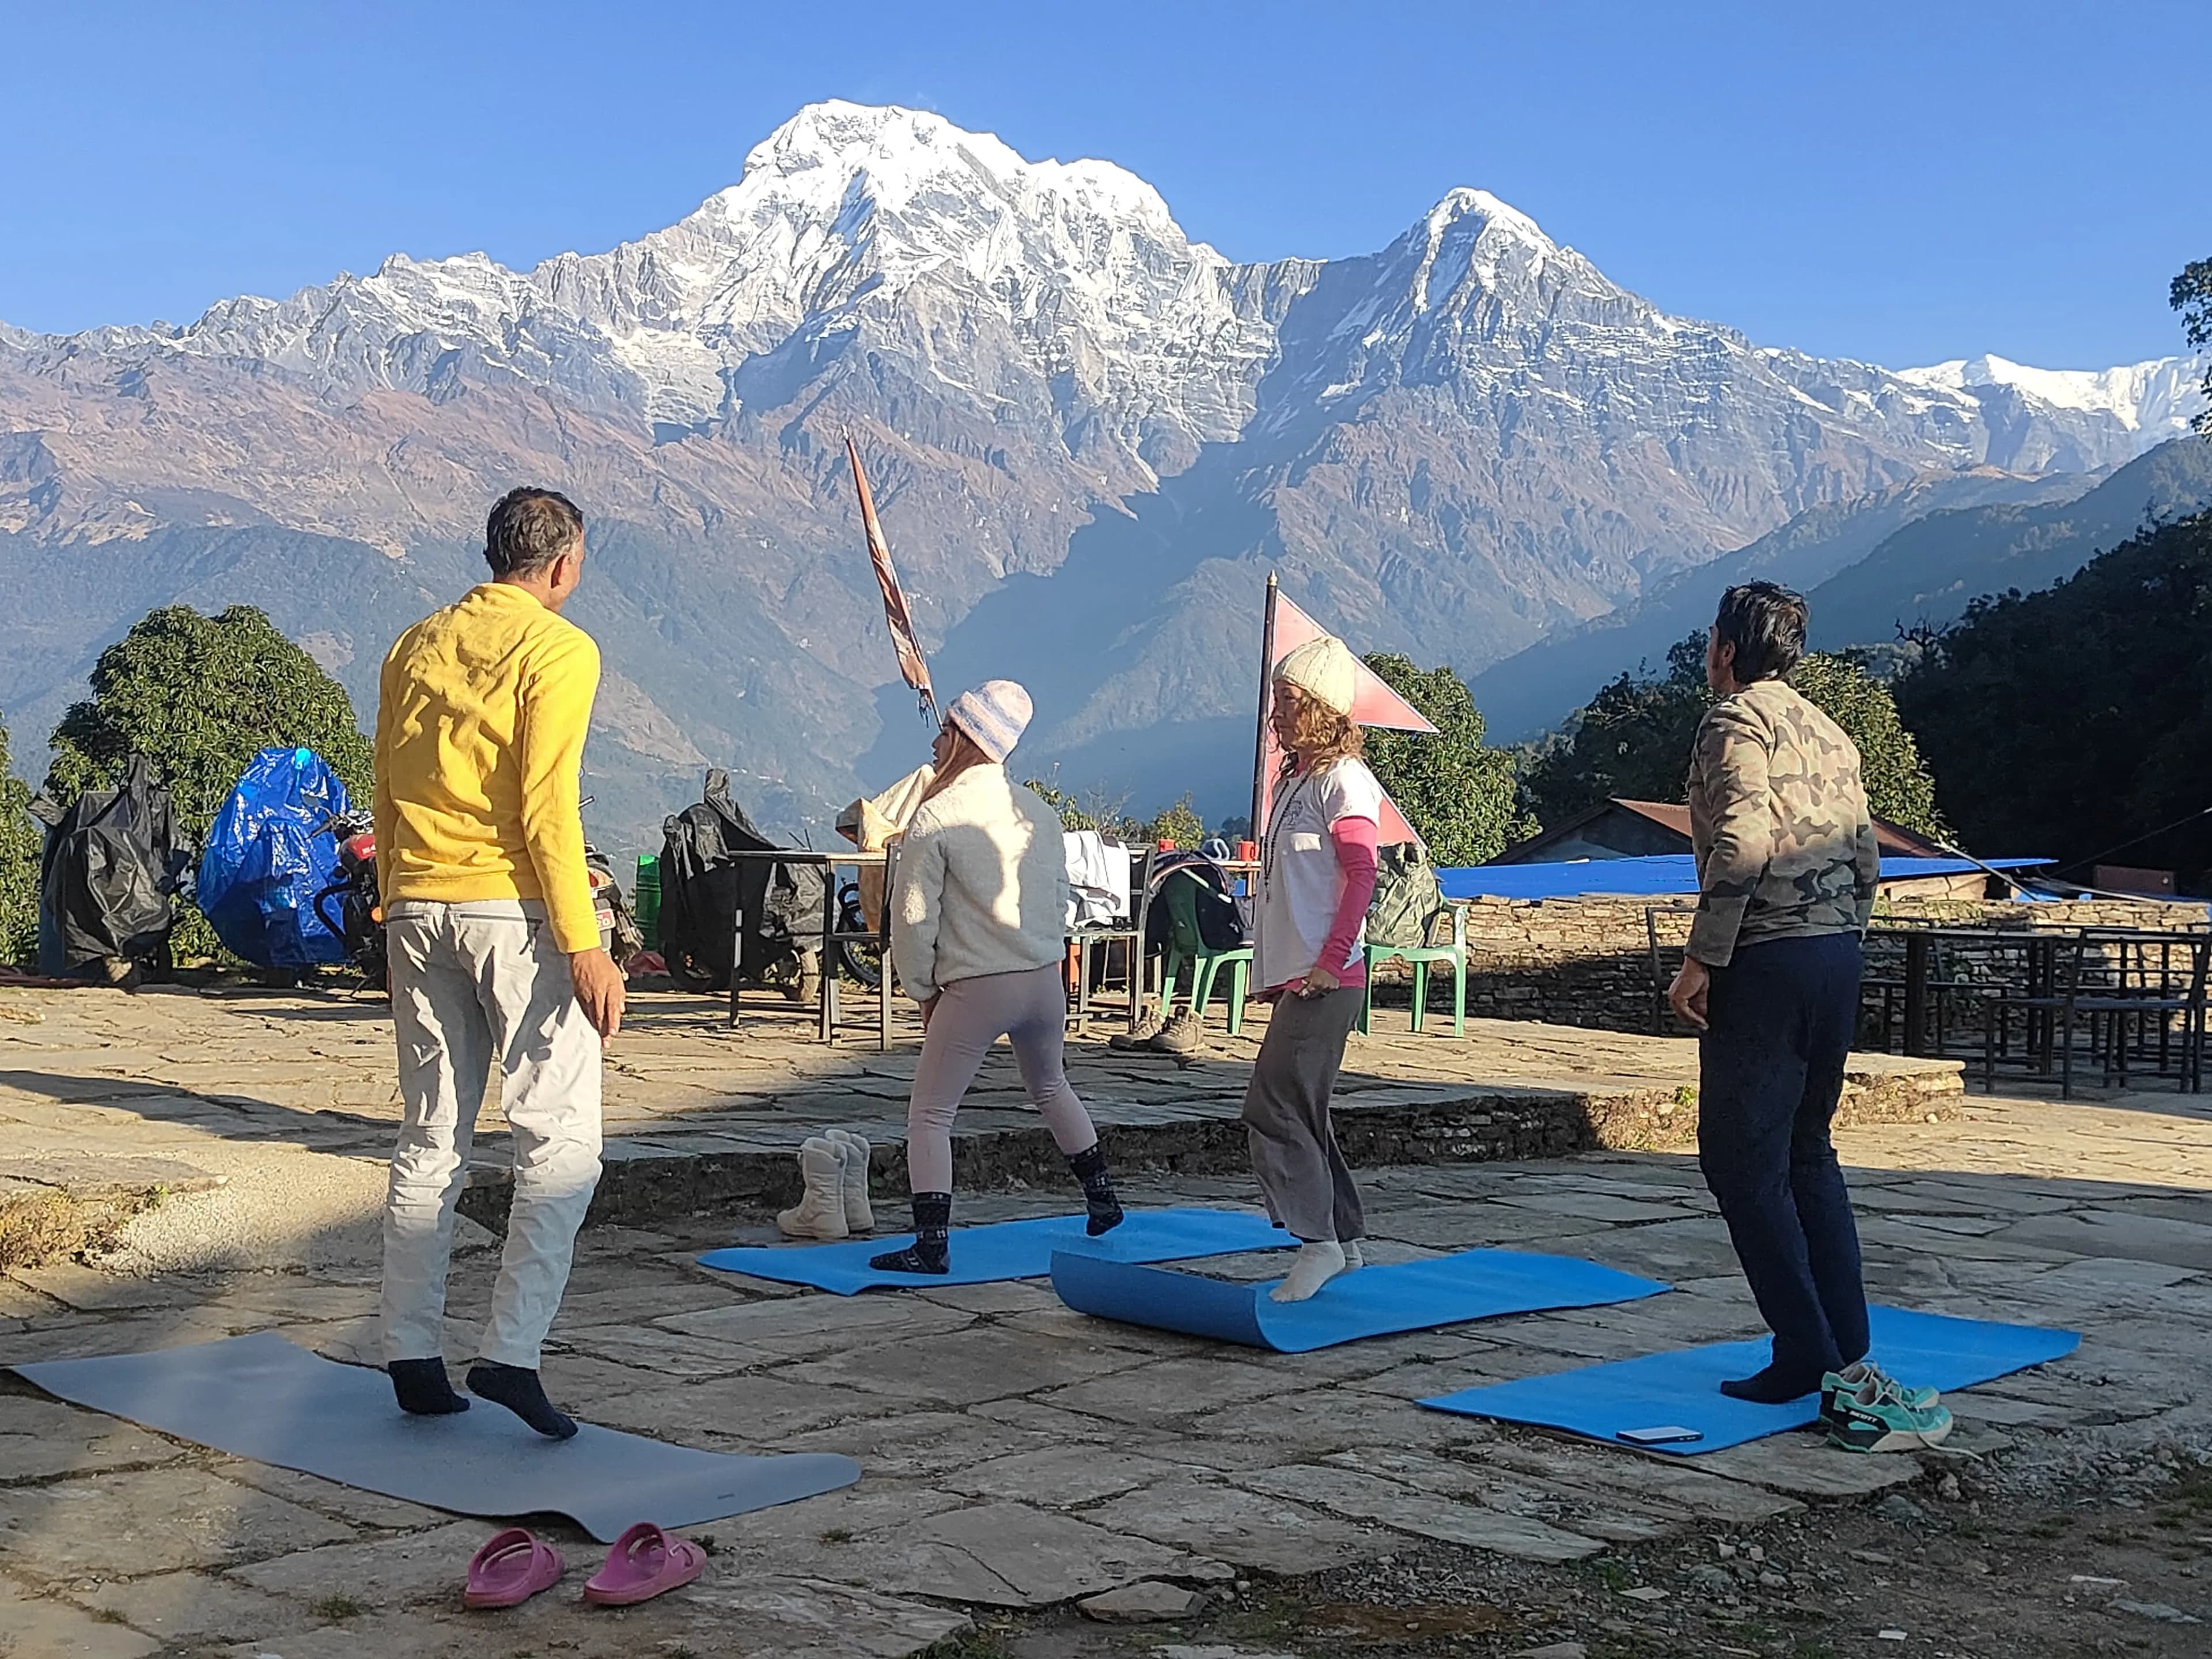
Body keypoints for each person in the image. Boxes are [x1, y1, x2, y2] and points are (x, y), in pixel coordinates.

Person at [1666, 582, 1950, 1450]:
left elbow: (1742, 839)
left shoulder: (1735, 722)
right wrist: (1842, 939)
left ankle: (1814, 1358)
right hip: (1835, 954)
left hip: (1768, 958)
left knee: (1742, 1162)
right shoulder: (1831, 731)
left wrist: (1703, 956)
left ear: (1724, 647)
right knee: (1807, 1150)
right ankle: (1842, 1346)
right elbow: (1865, 851)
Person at [373, 487, 624, 1440]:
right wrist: (584, 943)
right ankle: (511, 1354)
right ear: (563, 564)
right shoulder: (561, 650)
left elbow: (389, 786)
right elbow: (546, 806)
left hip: (421, 905)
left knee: (431, 1135)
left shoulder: (415, 643)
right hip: (514, 911)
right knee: (559, 1142)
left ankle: (410, 1350)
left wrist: (392, 908)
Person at [869, 680, 1124, 1274]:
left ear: (964, 738)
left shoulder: (937, 814)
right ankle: (1102, 1197)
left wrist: (922, 989)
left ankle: (931, 1244)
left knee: (930, 1114)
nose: (934, 741)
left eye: (945, 730)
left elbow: (911, 919)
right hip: (1043, 978)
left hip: (979, 985)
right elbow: (1061, 898)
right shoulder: (1037, 811)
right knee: (1051, 1085)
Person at [1244, 636, 1382, 1304]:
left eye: (1290, 700)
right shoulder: (1296, 779)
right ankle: (1345, 1237)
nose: (1278, 710)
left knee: (1273, 1106)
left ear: (1324, 708)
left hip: (1326, 979)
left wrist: (1331, 962)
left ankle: (1316, 1241)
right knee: (1305, 1106)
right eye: (1278, 698)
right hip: (1300, 974)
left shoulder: (1343, 781)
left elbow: (1361, 873)